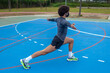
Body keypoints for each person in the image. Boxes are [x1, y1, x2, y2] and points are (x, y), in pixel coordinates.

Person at [20, 5, 78, 69]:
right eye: (68, 12)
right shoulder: (64, 21)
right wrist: (71, 26)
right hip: (58, 41)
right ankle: (25, 60)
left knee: (71, 40)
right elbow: (67, 24)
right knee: (43, 52)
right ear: (65, 13)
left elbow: (54, 19)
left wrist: (50, 19)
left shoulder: (58, 19)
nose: (68, 13)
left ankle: (70, 56)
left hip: (61, 39)